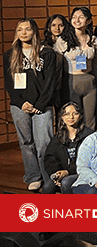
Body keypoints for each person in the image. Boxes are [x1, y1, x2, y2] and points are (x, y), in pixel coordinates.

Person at [5, 18, 60, 191]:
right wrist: (22, 103)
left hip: (42, 106)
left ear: (34, 31)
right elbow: (9, 83)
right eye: (20, 29)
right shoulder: (10, 54)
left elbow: (50, 82)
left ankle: (48, 177)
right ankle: (33, 176)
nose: (23, 33)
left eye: (27, 29)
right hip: (20, 106)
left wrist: (39, 104)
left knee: (44, 143)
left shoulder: (47, 53)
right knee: (26, 142)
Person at [55, 7, 97, 129]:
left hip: (89, 82)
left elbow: (96, 63)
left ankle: (89, 145)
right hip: (71, 81)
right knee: (72, 118)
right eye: (74, 17)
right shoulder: (63, 40)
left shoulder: (94, 39)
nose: (77, 20)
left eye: (81, 17)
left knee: (90, 119)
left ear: (89, 20)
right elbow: (58, 65)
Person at [43, 102, 93, 194]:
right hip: (64, 173)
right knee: (47, 187)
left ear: (80, 116)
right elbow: (49, 159)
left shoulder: (89, 136)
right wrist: (56, 173)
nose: (71, 117)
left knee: (66, 183)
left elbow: (91, 161)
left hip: (83, 173)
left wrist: (68, 172)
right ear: (62, 117)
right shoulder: (58, 137)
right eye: (67, 114)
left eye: (75, 113)